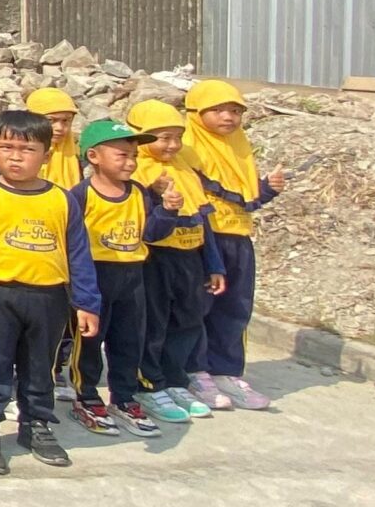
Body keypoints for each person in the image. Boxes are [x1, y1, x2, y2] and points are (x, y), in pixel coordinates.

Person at [0, 110, 101, 476]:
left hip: (49, 297)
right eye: (6, 147)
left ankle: (36, 424)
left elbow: (79, 253)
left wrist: (86, 303)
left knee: (41, 365)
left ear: (47, 155)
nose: (16, 156)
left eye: (27, 149)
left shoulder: (63, 200)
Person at [71, 117, 201, 438]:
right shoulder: (80, 195)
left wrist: (167, 211)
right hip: (95, 276)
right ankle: (87, 396)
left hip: (132, 276)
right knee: (89, 342)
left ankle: (125, 397)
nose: (130, 163)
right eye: (122, 155)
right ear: (94, 157)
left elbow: (151, 234)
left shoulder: (139, 194)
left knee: (129, 340)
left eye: (134, 156)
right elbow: (70, 239)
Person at [181, 79, 284, 413]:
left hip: (238, 235)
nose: (229, 117)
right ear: (197, 112)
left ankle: (226, 371)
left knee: (235, 307)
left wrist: (268, 188)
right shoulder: (186, 144)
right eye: (219, 110)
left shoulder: (239, 144)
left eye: (236, 111)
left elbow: (245, 197)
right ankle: (194, 371)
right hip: (203, 236)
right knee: (199, 307)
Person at [128, 98, 221, 425]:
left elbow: (202, 219)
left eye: (176, 137)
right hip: (155, 260)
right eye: (161, 137)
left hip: (189, 258)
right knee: (154, 322)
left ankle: (175, 379)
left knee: (187, 319)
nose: (171, 145)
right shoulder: (136, 169)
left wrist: (214, 264)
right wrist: (154, 193)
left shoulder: (185, 169)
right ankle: (149, 384)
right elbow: (138, 221)